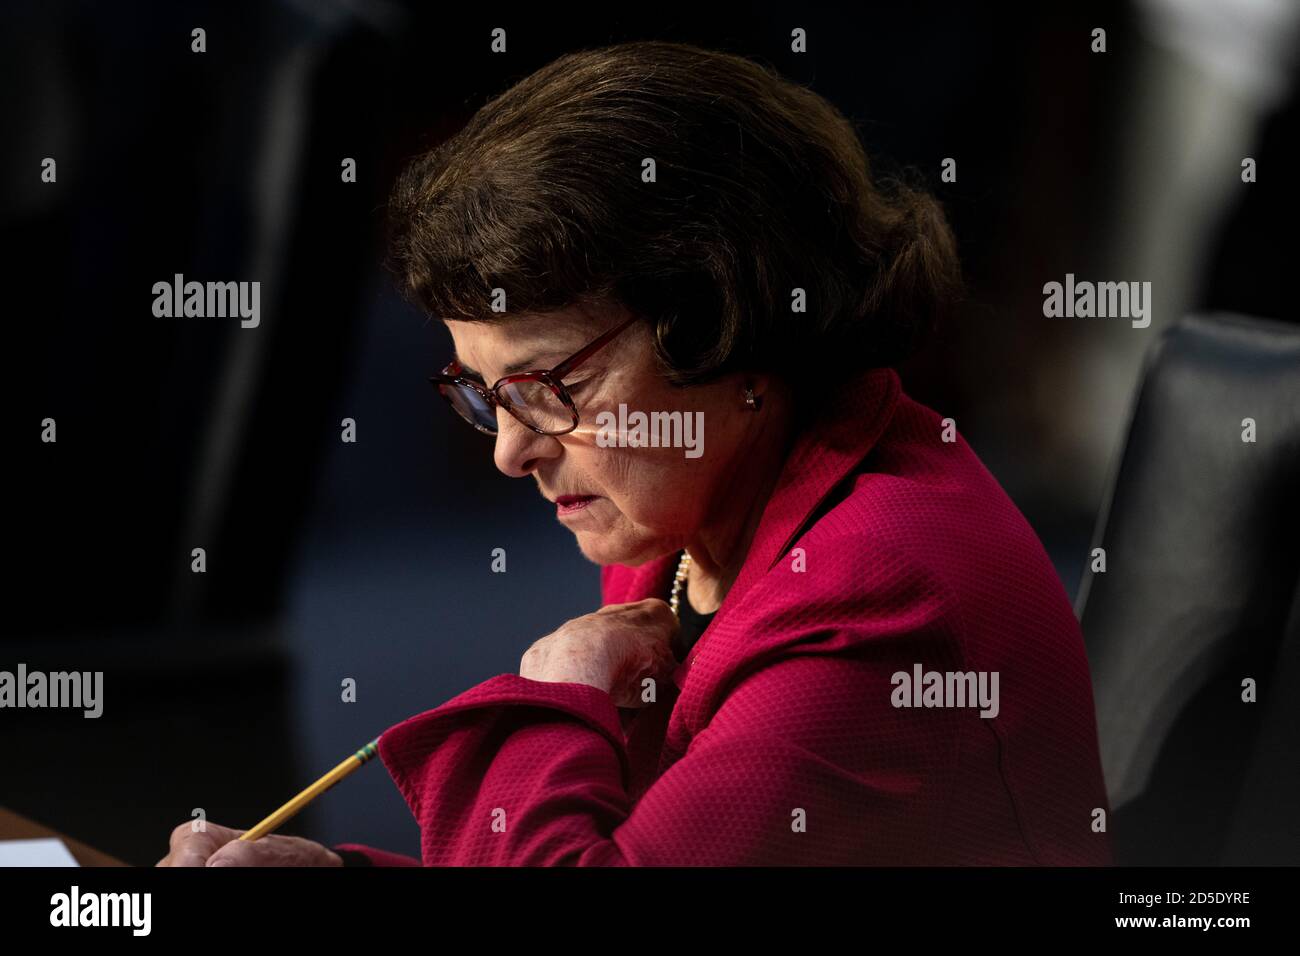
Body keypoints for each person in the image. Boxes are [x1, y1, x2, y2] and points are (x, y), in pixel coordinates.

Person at [158, 40, 1112, 867]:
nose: (511, 453)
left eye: (546, 387)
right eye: (484, 396)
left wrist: (553, 698)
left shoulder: (883, 597)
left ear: (718, 322)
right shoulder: (684, 516)